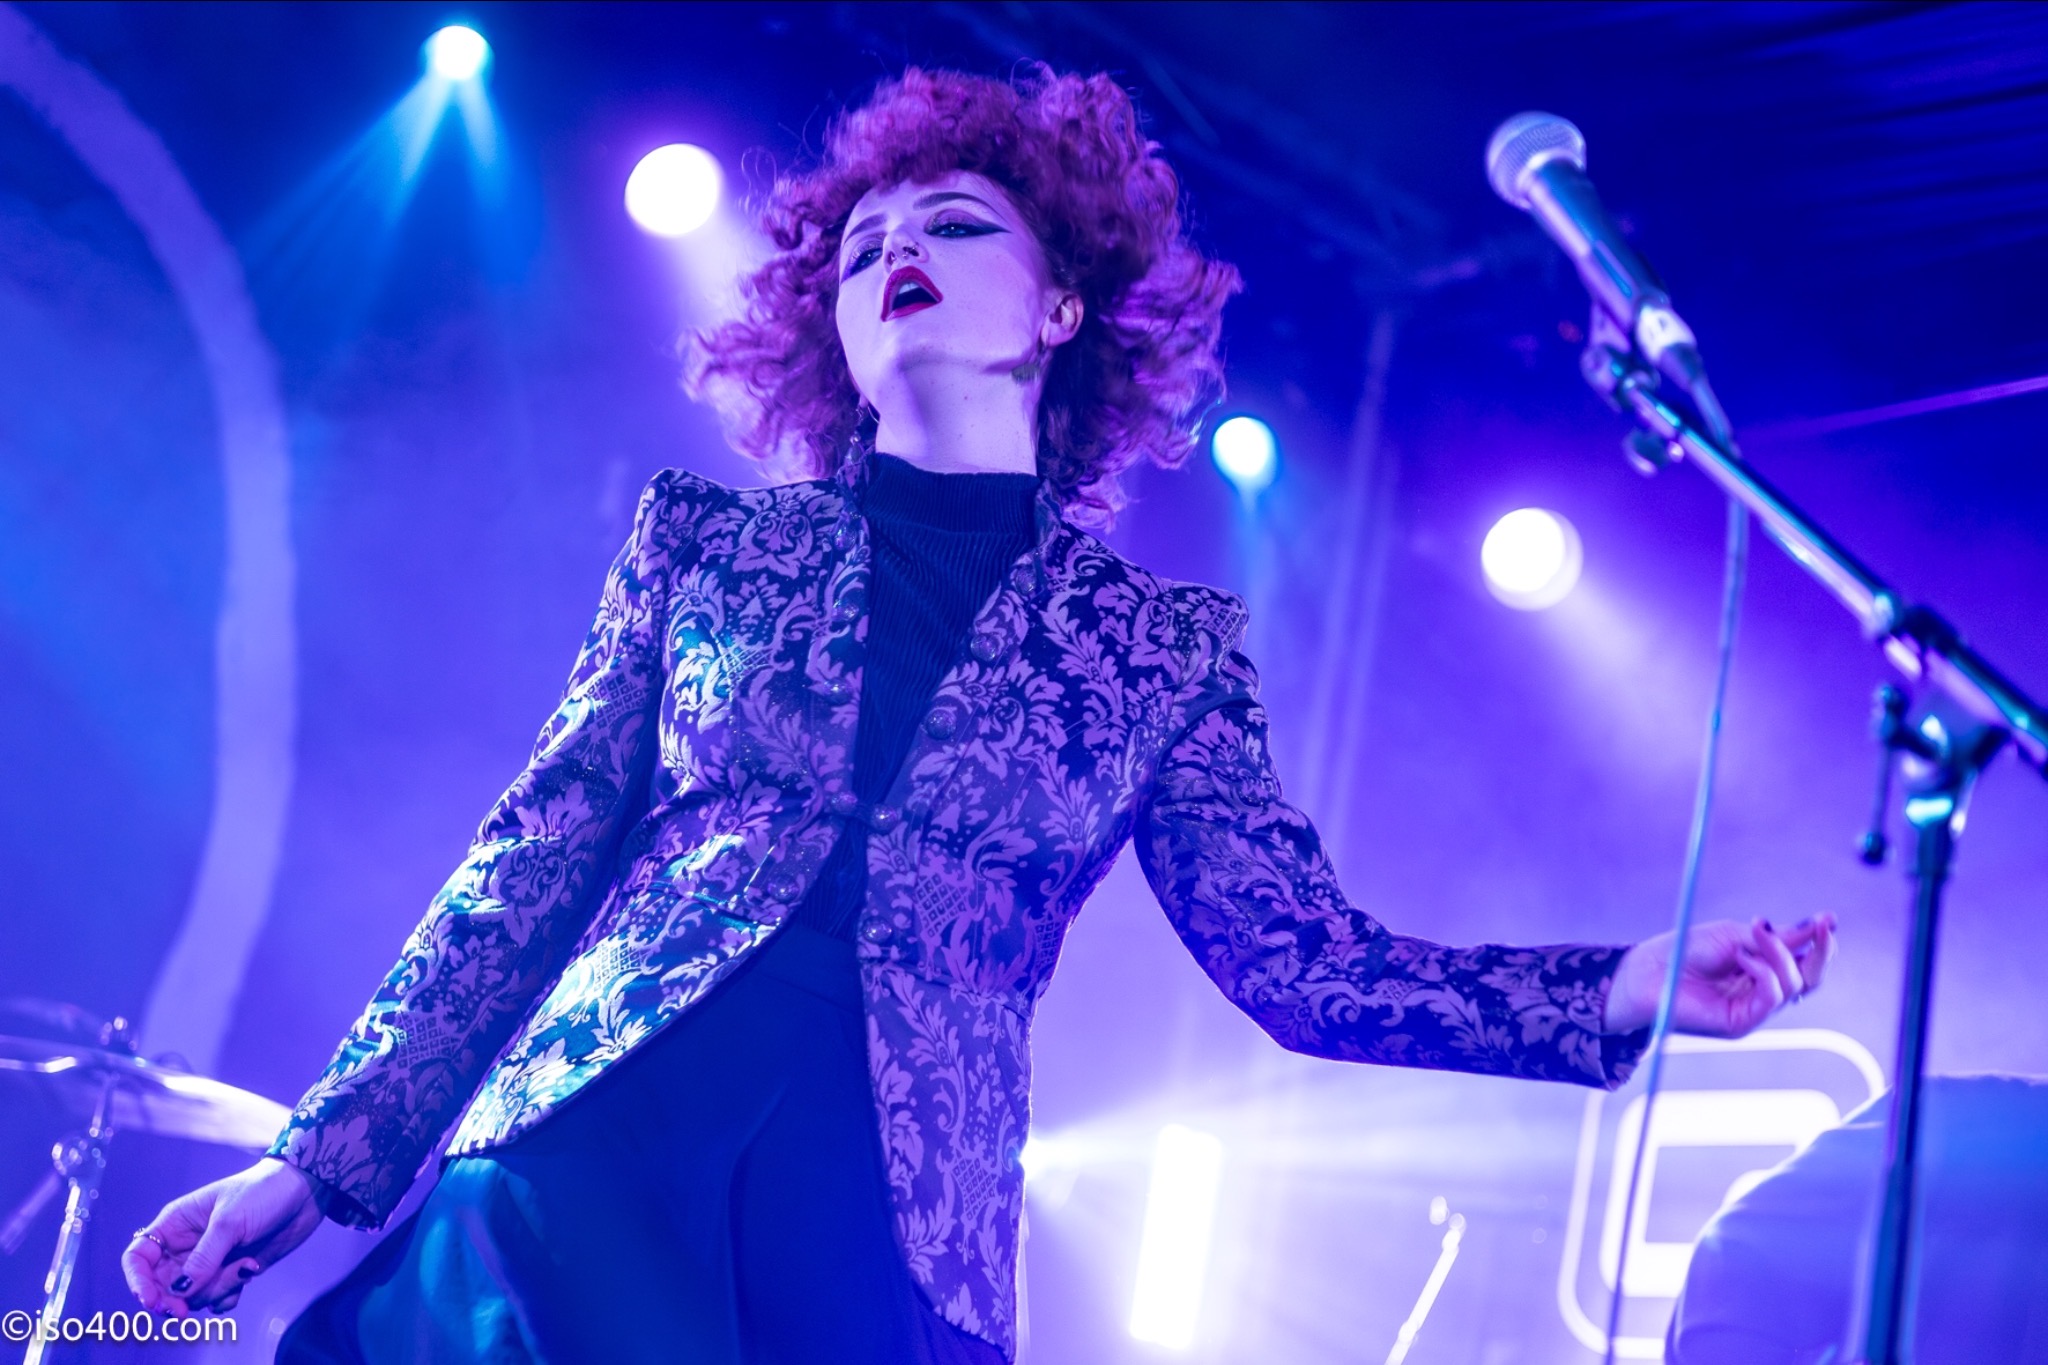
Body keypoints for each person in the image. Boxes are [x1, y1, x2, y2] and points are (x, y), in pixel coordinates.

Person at [121, 67, 1836, 1364]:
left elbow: (1303, 963)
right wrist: (316, 1161)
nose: (895, 254)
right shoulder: (702, 544)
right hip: (597, 1149)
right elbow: (529, 865)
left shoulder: (1156, 650)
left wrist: (1617, 986)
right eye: (864, 245)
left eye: (952, 226)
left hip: (886, 1214)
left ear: (1062, 307)